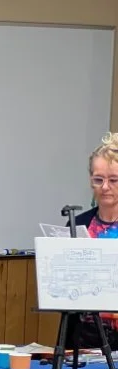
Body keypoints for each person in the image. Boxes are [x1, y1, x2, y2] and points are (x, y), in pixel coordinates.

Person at [71, 134, 118, 348]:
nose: (105, 187)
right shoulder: (78, 224)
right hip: (85, 335)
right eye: (98, 180)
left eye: (114, 180)